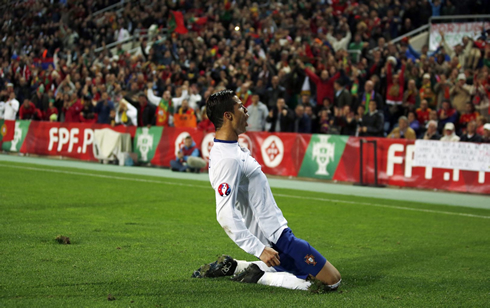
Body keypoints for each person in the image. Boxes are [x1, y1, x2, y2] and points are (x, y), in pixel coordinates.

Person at [193, 90, 341, 292]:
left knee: (310, 275)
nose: (246, 111)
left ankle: (237, 266)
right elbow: (224, 215)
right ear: (228, 115)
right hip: (276, 240)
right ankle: (260, 276)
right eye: (240, 107)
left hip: (277, 234)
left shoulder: (232, 148)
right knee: (331, 281)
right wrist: (260, 249)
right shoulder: (228, 159)